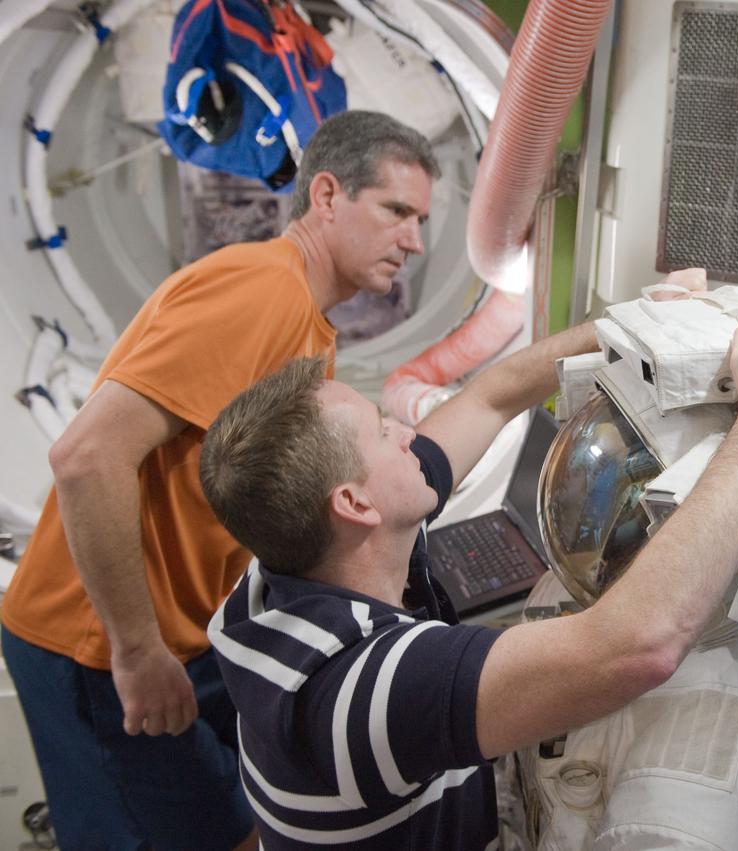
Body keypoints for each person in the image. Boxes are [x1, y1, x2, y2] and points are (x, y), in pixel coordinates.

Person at [0, 110, 438, 851]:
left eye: (423, 219)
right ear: (326, 195)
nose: (416, 241)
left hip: (174, 632)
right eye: (397, 210)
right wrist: (137, 651)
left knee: (237, 827)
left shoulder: (307, 318)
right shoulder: (257, 294)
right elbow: (86, 458)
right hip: (98, 640)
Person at [199, 324, 738, 848]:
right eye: (383, 432)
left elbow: (491, 397)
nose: (408, 432)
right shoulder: (356, 693)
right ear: (355, 504)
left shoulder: (288, 565)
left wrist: (633, 322)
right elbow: (641, 646)